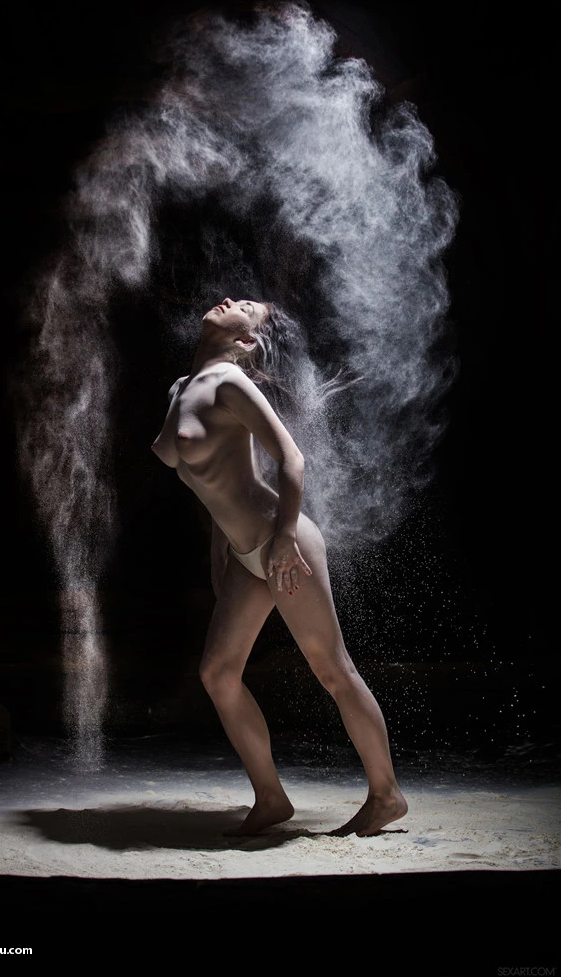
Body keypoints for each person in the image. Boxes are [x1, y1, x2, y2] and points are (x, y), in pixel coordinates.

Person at [151, 296, 407, 836]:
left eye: (246, 307)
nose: (231, 301)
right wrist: (219, 550)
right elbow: (216, 478)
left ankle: (386, 795)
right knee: (218, 674)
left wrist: (286, 538)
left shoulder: (230, 382)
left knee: (332, 669)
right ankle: (270, 799)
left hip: (280, 539)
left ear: (246, 340)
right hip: (245, 553)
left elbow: (292, 458)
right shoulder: (180, 389)